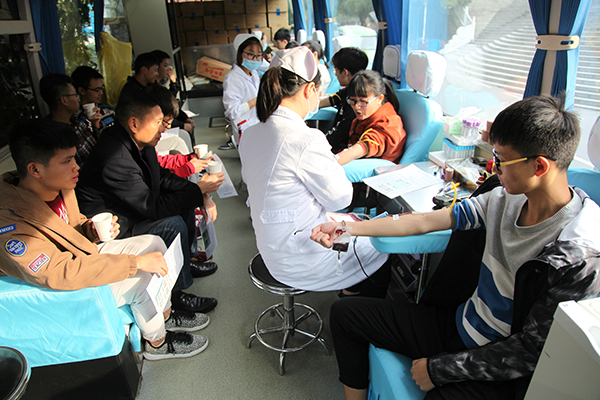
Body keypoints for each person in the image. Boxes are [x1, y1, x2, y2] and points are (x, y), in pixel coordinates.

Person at [310, 95, 600, 400]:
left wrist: (441, 369)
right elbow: (424, 221)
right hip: (459, 325)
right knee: (345, 315)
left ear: (539, 166)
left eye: (502, 160)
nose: (494, 167)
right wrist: (348, 228)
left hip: (498, 361)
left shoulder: (577, 257)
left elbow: (530, 351)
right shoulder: (503, 199)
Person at [0, 119, 211, 360]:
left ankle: (165, 315)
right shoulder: (10, 222)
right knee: (139, 277)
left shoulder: (56, 186)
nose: (76, 167)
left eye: (74, 158)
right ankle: (157, 343)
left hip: (81, 259)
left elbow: (71, 227)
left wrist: (90, 230)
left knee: (154, 244)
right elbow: (60, 272)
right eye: (67, 161)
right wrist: (134, 263)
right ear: (35, 170)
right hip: (58, 288)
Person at [239, 46, 391, 296]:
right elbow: (341, 199)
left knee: (348, 231)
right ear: (310, 89)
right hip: (300, 257)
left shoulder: (250, 133)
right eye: (319, 90)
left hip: (270, 245)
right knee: (380, 249)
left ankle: (348, 296)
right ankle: (352, 310)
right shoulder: (305, 138)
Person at [76, 90, 225, 314]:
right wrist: (198, 190)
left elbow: (161, 177)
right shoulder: (114, 158)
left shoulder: (139, 142)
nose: (163, 128)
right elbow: (153, 208)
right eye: (157, 122)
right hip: (116, 228)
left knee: (183, 202)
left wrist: (199, 193)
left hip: (133, 210)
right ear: (134, 124)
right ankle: (177, 296)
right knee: (171, 224)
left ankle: (186, 262)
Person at [335, 70, 405, 165]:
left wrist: (332, 161)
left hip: (376, 169)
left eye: (363, 101)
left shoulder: (389, 123)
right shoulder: (365, 117)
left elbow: (365, 146)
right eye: (353, 101)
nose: (356, 106)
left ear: (379, 99)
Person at [39, 73, 101, 166]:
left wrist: (96, 125)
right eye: (75, 95)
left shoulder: (76, 121)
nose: (78, 100)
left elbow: (99, 147)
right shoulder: (55, 137)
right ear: (64, 100)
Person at [319, 47, 369, 154]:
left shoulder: (356, 101)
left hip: (342, 149)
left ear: (345, 72)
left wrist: (319, 143)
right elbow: (330, 100)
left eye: (336, 71)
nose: (336, 75)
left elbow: (342, 132)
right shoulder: (347, 91)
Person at [220, 33, 262, 150]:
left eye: (259, 55)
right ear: (240, 54)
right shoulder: (232, 78)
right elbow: (232, 112)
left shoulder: (253, 73)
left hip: (258, 127)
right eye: (250, 54)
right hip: (245, 130)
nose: (255, 59)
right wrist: (255, 101)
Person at [150, 49, 196, 140]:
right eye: (165, 66)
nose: (169, 69)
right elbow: (166, 112)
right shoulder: (151, 90)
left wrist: (185, 118)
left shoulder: (159, 86)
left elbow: (171, 104)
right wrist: (182, 125)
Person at [71, 65, 116, 131]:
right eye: (97, 90)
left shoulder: (107, 110)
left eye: (102, 88)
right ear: (82, 90)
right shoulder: (76, 118)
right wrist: (96, 126)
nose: (101, 93)